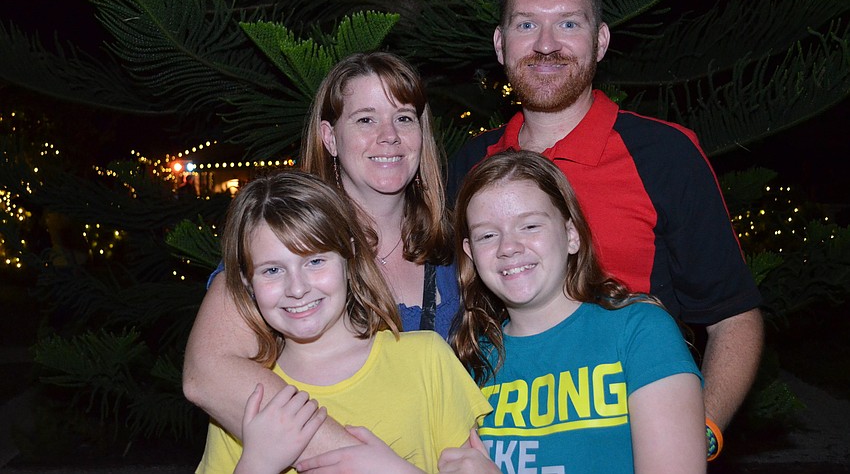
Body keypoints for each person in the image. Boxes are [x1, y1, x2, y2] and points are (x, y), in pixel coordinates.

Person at [446, 0, 763, 459]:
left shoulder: (663, 155)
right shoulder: (470, 163)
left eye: (568, 23)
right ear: (501, 44)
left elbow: (734, 317)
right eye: (527, 24)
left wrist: (691, 435)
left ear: (600, 40)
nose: (546, 45)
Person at [183, 52, 460, 457]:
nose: (389, 136)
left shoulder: (459, 249)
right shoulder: (281, 244)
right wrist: (365, 465)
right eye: (366, 119)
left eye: (404, 117)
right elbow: (207, 374)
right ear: (330, 137)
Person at [195, 170, 491, 474]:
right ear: (247, 281)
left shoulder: (428, 360)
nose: (297, 288)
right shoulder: (252, 398)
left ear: (349, 253)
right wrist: (257, 465)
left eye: (315, 261)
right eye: (272, 271)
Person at [437, 149, 705, 474]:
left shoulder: (639, 332)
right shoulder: (469, 361)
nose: (508, 247)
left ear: (572, 235)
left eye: (530, 226)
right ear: (471, 254)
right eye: (488, 235)